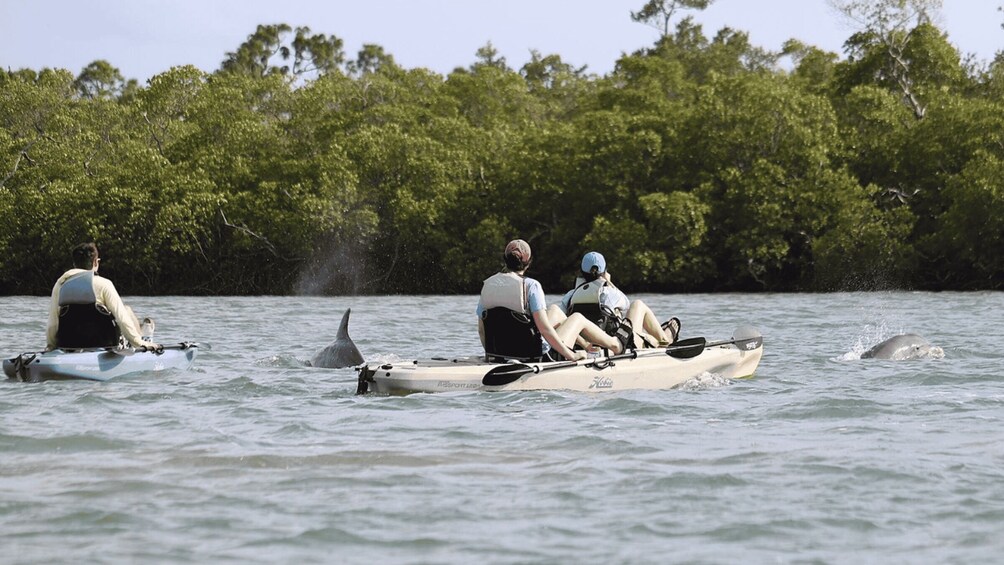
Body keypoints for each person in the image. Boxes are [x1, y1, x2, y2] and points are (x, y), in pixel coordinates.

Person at [476, 239, 624, 362]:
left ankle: (586, 345)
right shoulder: (531, 286)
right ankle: (616, 346)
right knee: (577, 318)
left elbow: (482, 330)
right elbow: (545, 329)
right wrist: (571, 355)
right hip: (538, 356)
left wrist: (492, 356)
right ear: (528, 262)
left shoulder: (487, 285)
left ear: (505, 259)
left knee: (554, 310)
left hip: (499, 353)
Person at [46, 242, 160, 351]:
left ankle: (140, 337)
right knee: (126, 310)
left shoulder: (60, 285)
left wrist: (51, 347)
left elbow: (53, 323)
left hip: (69, 344)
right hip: (104, 344)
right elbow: (122, 318)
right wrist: (139, 343)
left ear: (74, 264)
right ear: (96, 262)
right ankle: (143, 339)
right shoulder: (104, 284)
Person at [559, 251, 680, 348]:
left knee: (643, 335)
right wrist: (609, 282)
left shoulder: (571, 295)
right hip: (619, 342)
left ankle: (662, 338)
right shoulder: (610, 292)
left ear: (582, 272)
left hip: (582, 344)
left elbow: (562, 317)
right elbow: (626, 307)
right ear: (605, 271)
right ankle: (665, 340)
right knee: (638, 305)